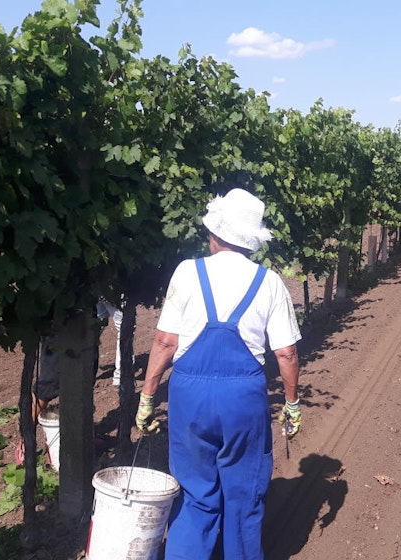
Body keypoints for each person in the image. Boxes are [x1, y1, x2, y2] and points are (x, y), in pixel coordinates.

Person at [135, 188, 304, 560]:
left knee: (195, 494)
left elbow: (165, 342)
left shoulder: (187, 271)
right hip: (242, 399)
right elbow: (286, 352)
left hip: (189, 396)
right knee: (244, 496)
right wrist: (292, 404)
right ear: (250, 241)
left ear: (214, 234)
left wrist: (147, 397)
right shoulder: (269, 281)